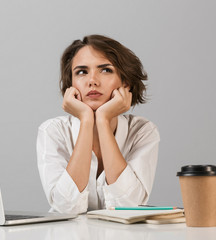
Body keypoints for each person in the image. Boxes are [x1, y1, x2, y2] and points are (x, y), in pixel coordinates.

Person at [36, 34, 160, 214]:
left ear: (125, 82)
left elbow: (129, 206)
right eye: (81, 72)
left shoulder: (143, 132)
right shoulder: (52, 131)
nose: (92, 80)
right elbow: (65, 208)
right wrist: (87, 120)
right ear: (71, 84)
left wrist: (102, 120)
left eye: (105, 70)